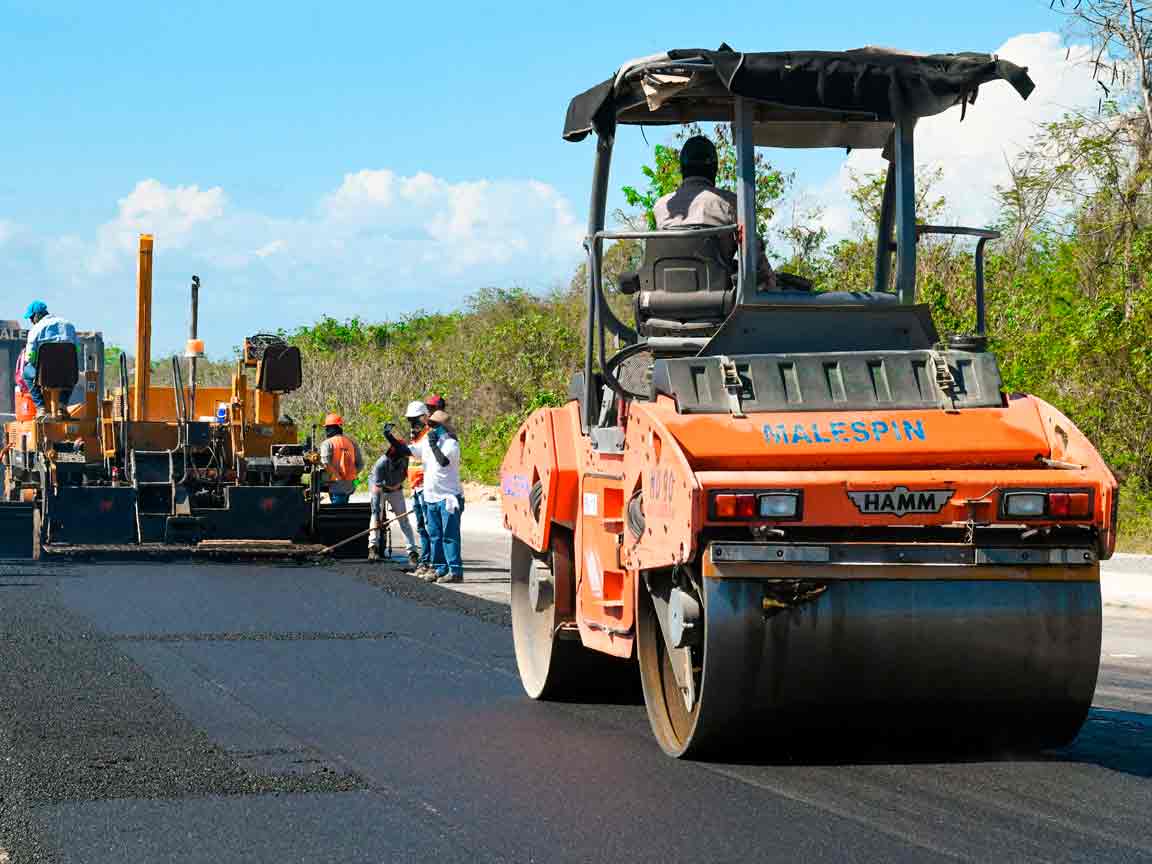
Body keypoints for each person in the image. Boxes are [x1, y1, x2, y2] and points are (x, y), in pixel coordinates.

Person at [652, 136, 776, 290]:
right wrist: (772, 284)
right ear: (714, 169)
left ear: (682, 168)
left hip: (664, 298)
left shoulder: (660, 206)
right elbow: (754, 255)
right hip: (720, 302)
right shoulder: (732, 202)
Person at [386, 409, 463, 584]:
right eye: (431, 425)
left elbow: (443, 462)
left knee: (449, 536)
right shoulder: (428, 442)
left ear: (444, 427)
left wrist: (434, 445)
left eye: (435, 426)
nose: (432, 428)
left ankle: (455, 571)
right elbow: (407, 450)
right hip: (430, 497)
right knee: (435, 535)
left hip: (448, 497)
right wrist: (390, 437)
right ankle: (439, 568)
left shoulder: (451, 444)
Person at [367, 437, 419, 564]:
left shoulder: (406, 459)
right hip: (379, 488)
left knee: (404, 520)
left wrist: (396, 486)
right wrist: (378, 513)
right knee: (375, 517)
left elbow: (408, 475)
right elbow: (377, 490)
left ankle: (412, 551)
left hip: (396, 488)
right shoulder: (381, 463)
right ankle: (373, 548)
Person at [21, 300, 77, 414]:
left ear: (37, 315)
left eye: (31, 318)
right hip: (67, 374)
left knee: (26, 372)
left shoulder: (35, 330)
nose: (31, 321)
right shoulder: (69, 326)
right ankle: (62, 404)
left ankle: (41, 407)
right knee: (72, 371)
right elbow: (76, 350)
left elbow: (30, 358)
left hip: (44, 375)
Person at [402, 401, 436, 579]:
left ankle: (431, 561)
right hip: (416, 488)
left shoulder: (428, 436)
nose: (412, 424)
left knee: (430, 527)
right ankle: (425, 561)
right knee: (422, 526)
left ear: (424, 417)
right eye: (410, 420)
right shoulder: (415, 438)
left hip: (426, 487)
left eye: (415, 420)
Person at [318, 413, 363, 505]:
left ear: (330, 428)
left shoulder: (327, 443)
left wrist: (337, 476)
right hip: (352, 485)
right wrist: (352, 477)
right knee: (345, 504)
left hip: (336, 485)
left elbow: (325, 462)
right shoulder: (352, 443)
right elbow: (360, 464)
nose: (326, 430)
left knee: (338, 512)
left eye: (327, 428)